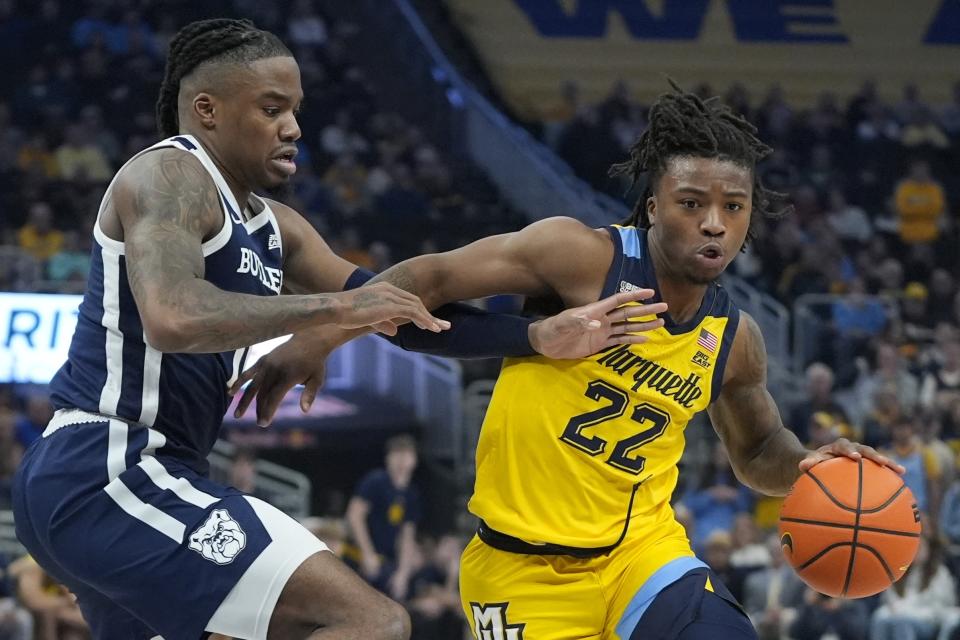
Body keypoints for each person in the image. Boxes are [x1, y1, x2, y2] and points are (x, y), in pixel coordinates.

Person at [12, 18, 657, 640]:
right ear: (207, 110)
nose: (292, 127)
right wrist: (331, 315)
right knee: (370, 623)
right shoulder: (170, 174)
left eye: (295, 109)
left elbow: (397, 315)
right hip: (109, 466)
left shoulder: (278, 229)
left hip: (153, 472)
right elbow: (174, 315)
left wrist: (533, 339)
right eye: (271, 109)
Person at [245, 83, 903, 639]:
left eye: (733, 208)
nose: (713, 224)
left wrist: (806, 467)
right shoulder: (581, 257)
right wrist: (322, 335)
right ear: (653, 207)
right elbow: (433, 276)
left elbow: (758, 448)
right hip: (518, 569)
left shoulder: (735, 337)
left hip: (640, 556)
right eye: (692, 203)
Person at [344, 435, 422, 601]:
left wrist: (403, 574)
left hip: (385, 561)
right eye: (397, 455)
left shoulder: (411, 494)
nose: (402, 460)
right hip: (358, 556)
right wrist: (367, 553)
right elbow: (354, 515)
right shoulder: (376, 481)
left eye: (407, 455)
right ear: (388, 458)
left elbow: (407, 536)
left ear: (414, 460)